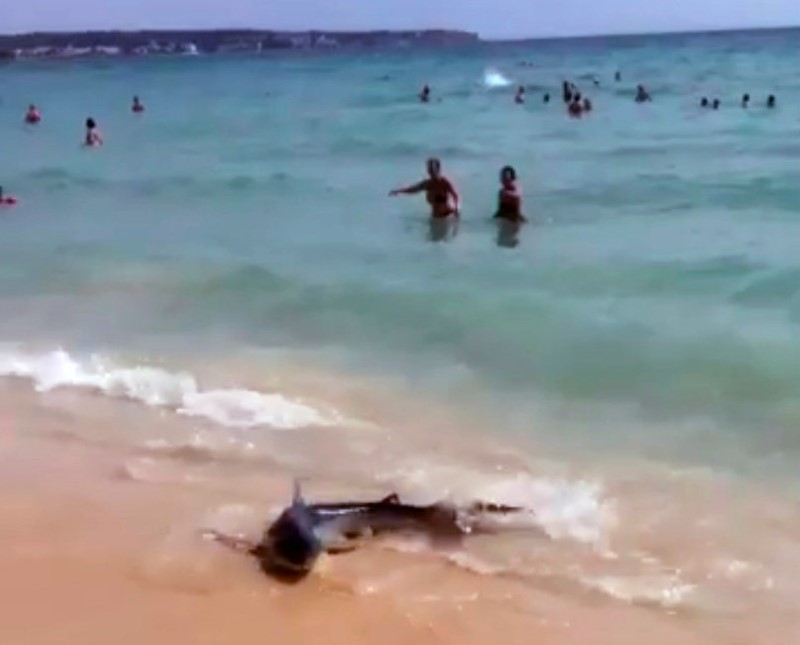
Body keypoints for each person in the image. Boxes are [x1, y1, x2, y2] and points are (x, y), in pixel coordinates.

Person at [389, 158, 460, 219]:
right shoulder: (427, 184)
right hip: (435, 217)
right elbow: (413, 190)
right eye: (429, 169)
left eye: (432, 169)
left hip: (447, 216)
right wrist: (398, 191)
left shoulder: (444, 182)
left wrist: (456, 209)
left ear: (438, 170)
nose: (430, 172)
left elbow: (455, 195)